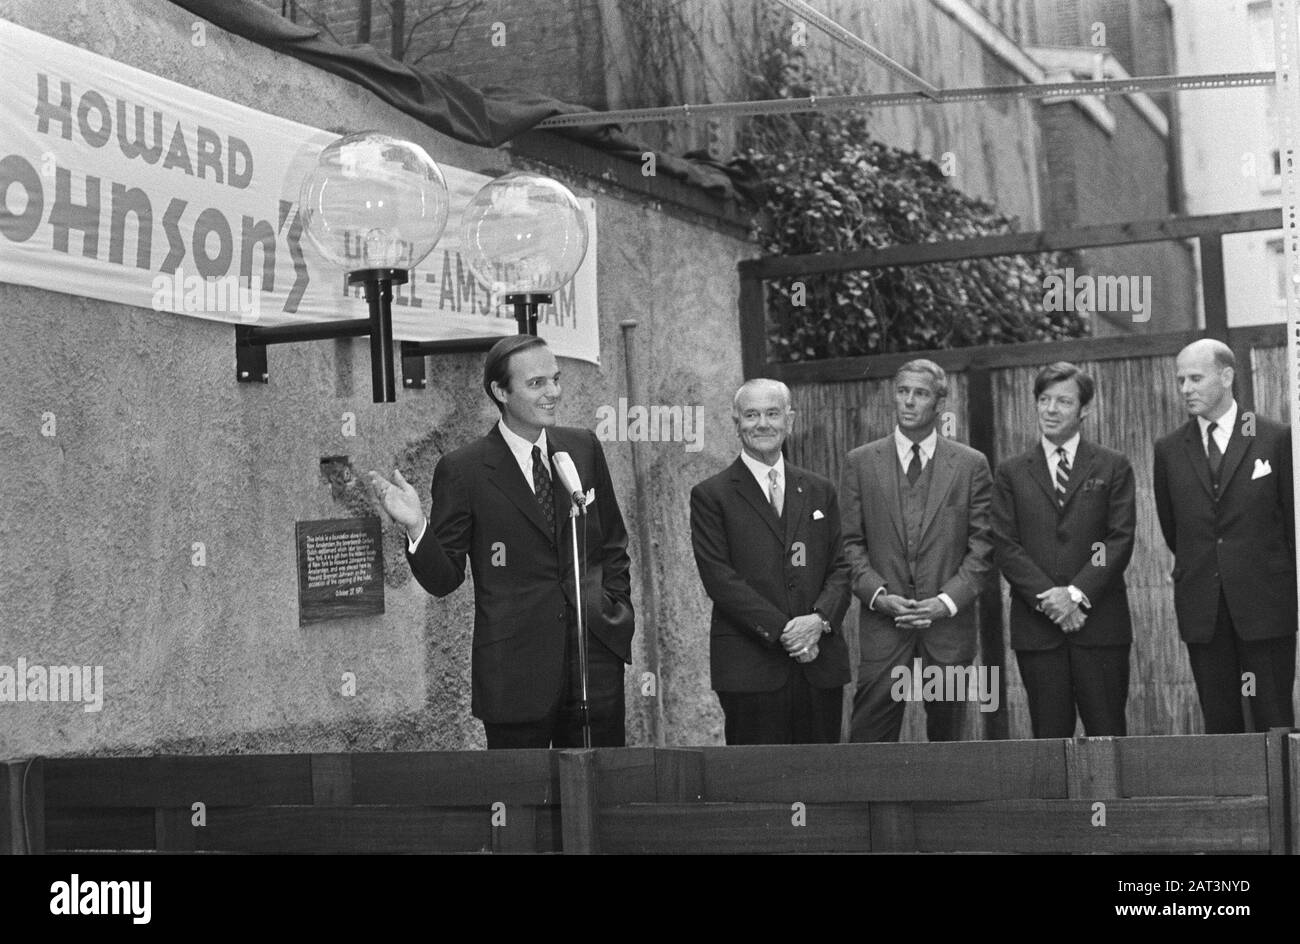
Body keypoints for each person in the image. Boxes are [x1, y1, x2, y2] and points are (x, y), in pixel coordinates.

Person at [366, 334, 634, 748]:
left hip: (594, 660)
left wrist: (615, 610)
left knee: (598, 795)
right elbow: (444, 578)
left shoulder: (582, 448)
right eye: (537, 383)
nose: (554, 393)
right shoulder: (465, 470)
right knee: (522, 802)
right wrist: (417, 527)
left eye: (556, 379)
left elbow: (612, 542)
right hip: (515, 672)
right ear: (500, 391)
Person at [689, 379, 852, 744]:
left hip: (819, 664)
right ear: (736, 423)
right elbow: (720, 579)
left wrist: (819, 621)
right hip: (752, 669)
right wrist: (787, 632)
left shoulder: (818, 489)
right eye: (751, 414)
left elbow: (841, 567)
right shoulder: (711, 496)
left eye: (772, 413)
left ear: (789, 421)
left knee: (821, 779)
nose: (762, 423)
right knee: (759, 786)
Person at [839, 359, 994, 743]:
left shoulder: (970, 465)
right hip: (883, 627)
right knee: (868, 740)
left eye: (920, 393)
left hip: (948, 631)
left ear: (940, 404)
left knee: (948, 747)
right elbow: (849, 544)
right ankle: (872, 805)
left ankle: (941, 806)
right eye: (903, 391)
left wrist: (945, 602)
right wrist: (880, 596)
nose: (908, 401)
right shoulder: (860, 463)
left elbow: (984, 548)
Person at [1153, 338, 1296, 733]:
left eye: (1195, 378)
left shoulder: (1275, 438)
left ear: (1227, 376)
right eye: (1181, 379)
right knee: (1220, 724)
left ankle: (1286, 796)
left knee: (1275, 721)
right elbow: (1173, 528)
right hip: (1204, 609)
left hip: (1266, 607)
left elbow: (1291, 526)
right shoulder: (1168, 450)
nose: (1185, 388)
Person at [992, 362, 1136, 738]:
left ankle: (1108, 800)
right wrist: (1050, 600)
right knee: (1049, 741)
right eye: (1044, 399)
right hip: (1038, 630)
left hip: (1100, 626)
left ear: (1084, 409)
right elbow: (1007, 545)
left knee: (1107, 736)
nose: (1051, 409)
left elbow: (1116, 540)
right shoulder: (1011, 472)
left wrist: (1075, 594)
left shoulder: (1112, 465)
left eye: (1063, 401)